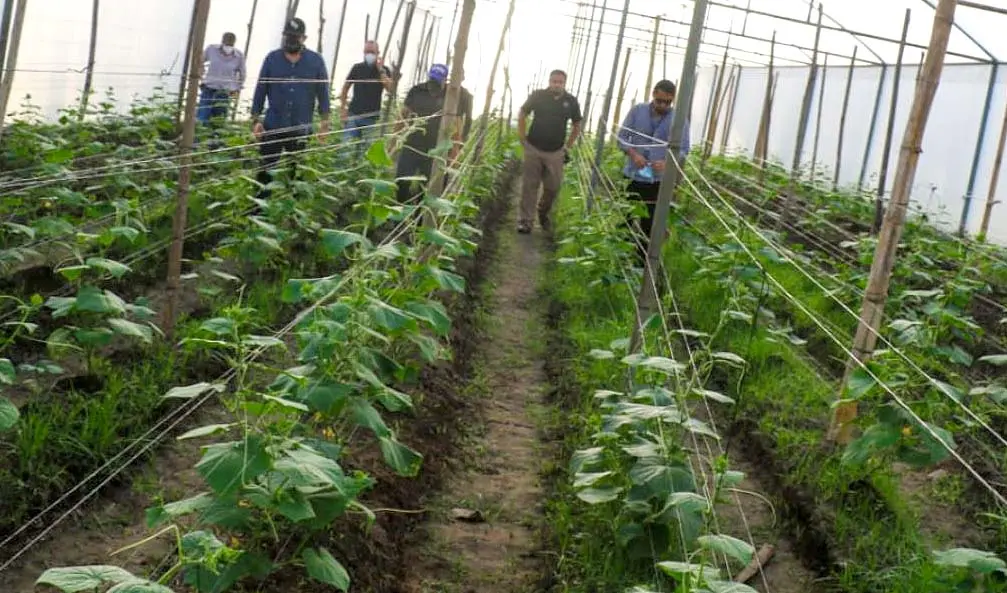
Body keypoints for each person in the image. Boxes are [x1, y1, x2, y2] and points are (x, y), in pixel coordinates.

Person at [250, 18, 330, 199]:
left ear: (304, 38)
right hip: (273, 125)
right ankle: (259, 210)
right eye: (288, 37)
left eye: (295, 37)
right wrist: (256, 120)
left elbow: (323, 92)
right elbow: (261, 88)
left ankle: (290, 212)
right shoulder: (272, 59)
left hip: (300, 127)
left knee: (295, 171)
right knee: (265, 170)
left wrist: (325, 122)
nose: (291, 40)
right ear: (283, 37)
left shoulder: (315, 61)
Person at [617, 79, 691, 264]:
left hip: (657, 181)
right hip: (633, 175)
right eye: (659, 101)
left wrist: (667, 162)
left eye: (667, 102)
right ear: (653, 94)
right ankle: (618, 257)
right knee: (625, 216)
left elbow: (684, 149)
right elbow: (622, 137)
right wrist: (633, 154)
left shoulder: (679, 119)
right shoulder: (637, 111)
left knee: (649, 222)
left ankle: (640, 262)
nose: (663, 105)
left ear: (673, 100)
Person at [517, 69, 582, 234]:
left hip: (555, 151)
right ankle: (526, 221)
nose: (556, 84)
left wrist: (567, 146)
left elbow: (577, 125)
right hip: (533, 147)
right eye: (554, 81)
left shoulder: (571, 101)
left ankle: (543, 211)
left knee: (553, 187)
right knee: (529, 186)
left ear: (564, 83)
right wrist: (522, 137)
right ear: (549, 81)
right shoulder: (538, 96)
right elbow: (523, 113)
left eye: (560, 82)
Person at [393, 64, 461, 204]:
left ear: (444, 80)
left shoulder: (450, 97)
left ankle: (418, 218)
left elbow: (456, 125)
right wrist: (394, 140)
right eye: (432, 79)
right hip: (411, 145)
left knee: (425, 188)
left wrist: (454, 152)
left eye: (437, 81)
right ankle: (399, 214)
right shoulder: (416, 91)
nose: (433, 84)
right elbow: (403, 114)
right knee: (401, 180)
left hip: (434, 150)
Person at [339, 40, 393, 159]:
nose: (369, 55)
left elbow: (390, 89)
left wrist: (381, 70)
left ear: (378, 53)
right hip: (353, 115)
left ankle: (359, 176)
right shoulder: (357, 68)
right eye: (367, 52)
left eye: (372, 52)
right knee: (345, 151)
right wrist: (343, 109)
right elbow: (345, 88)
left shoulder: (384, 70)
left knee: (365, 155)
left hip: (371, 119)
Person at [197, 32, 246, 139]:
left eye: (231, 41)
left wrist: (237, 88)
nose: (228, 43)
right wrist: (201, 76)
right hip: (209, 89)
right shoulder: (212, 49)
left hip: (224, 92)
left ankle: (214, 145)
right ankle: (197, 144)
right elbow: (200, 61)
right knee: (202, 117)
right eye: (226, 40)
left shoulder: (238, 56)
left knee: (219, 121)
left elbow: (242, 74)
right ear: (222, 40)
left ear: (234, 43)